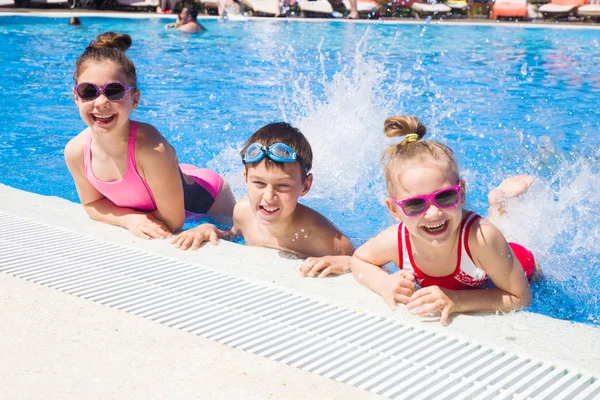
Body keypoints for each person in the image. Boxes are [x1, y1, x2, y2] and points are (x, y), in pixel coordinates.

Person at [350, 115, 537, 325]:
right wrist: (384, 283)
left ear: (462, 193)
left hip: (513, 260)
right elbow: (359, 260)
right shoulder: (396, 240)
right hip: (478, 258)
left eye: (445, 197)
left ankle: (501, 203)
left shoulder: (484, 238)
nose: (433, 213)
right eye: (415, 204)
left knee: (503, 243)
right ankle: (498, 205)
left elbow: (521, 298)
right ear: (394, 209)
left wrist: (456, 299)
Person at [65, 32, 235, 240]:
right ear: (76, 97)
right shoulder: (76, 152)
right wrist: (128, 219)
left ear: (135, 99)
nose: (100, 102)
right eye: (88, 91)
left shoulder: (152, 150)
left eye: (114, 91)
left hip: (207, 200)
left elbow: (173, 221)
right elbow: (91, 204)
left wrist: (131, 217)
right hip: (162, 178)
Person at [171, 122, 356, 278]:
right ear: (245, 178)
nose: (269, 197)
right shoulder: (243, 212)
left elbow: (371, 265)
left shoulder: (322, 236)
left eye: (283, 186)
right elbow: (234, 236)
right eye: (259, 183)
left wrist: (349, 263)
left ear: (305, 186)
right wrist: (211, 230)